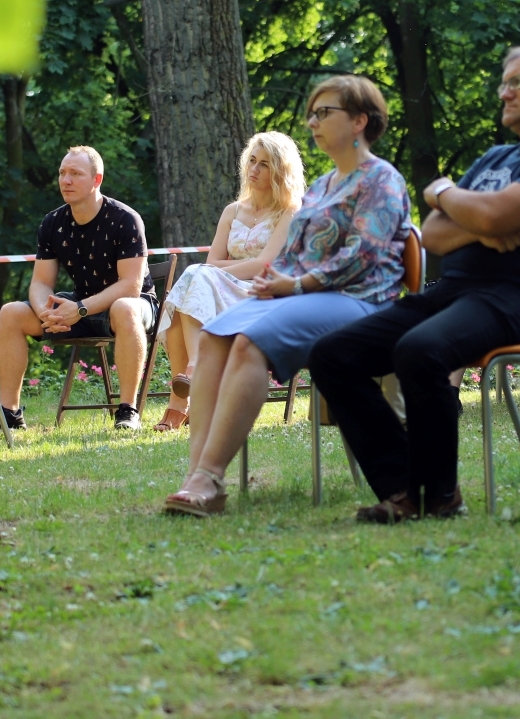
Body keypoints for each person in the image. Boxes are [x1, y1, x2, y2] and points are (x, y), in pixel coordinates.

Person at [310, 45, 520, 523]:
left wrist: (444, 190)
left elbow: (485, 211)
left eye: (518, 82)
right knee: (332, 355)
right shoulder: (495, 158)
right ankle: (404, 487)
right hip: (455, 292)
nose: (504, 91)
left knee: (421, 350)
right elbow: (437, 235)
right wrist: (479, 221)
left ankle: (439, 495)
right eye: (504, 81)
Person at [163, 75, 411, 516]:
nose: (312, 121)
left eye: (324, 112)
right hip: (305, 298)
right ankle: (199, 478)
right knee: (218, 335)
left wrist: (293, 285)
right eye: (311, 113)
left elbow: (363, 257)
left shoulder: (381, 179)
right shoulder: (321, 187)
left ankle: (209, 477)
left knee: (248, 342)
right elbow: (294, 255)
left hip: (362, 301)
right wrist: (274, 282)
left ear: (359, 121)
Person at [0, 147, 157, 432]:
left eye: (75, 174)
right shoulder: (53, 223)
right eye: (62, 173)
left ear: (96, 179)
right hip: (81, 307)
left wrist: (80, 309)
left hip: (134, 306)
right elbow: (40, 283)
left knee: (123, 307)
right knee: (12, 312)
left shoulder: (125, 219)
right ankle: (9, 413)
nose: (66, 180)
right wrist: (44, 312)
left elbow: (131, 285)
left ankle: (128, 411)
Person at [151, 132, 304, 431]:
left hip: (264, 295)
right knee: (195, 279)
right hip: (219, 289)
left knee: (195, 280)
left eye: (265, 164)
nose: (254, 170)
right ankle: (192, 380)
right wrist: (227, 269)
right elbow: (211, 264)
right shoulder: (232, 211)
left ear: (281, 170)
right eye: (251, 161)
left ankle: (183, 399)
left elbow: (264, 265)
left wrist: (225, 268)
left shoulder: (290, 211)